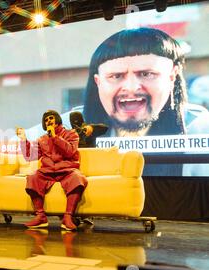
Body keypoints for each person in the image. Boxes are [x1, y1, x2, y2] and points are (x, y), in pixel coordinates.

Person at [81, 27, 209, 175]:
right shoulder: (66, 129)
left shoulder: (200, 129)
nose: (131, 87)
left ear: (172, 76)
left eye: (147, 74)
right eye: (116, 76)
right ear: (98, 82)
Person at [17, 110, 88, 231]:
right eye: (46, 120)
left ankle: (68, 217)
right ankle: (40, 216)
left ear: (57, 119)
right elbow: (30, 156)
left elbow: (70, 151)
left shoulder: (71, 134)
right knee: (33, 177)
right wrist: (24, 140)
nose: (48, 121)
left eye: (51, 118)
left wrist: (55, 137)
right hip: (48, 171)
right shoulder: (42, 139)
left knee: (77, 178)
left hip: (67, 169)